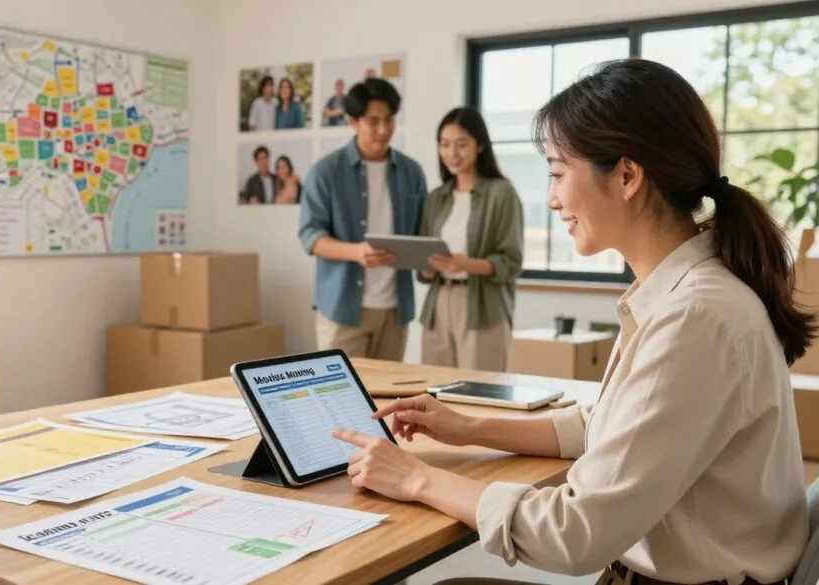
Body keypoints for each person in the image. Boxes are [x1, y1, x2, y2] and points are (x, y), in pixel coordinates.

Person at [331, 58, 815, 585]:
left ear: (628, 175)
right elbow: (606, 425)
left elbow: (574, 531)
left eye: (559, 174)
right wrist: (465, 427)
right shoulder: (682, 293)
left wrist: (418, 479)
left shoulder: (695, 317)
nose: (554, 199)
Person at [298, 77, 427, 360]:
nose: (383, 130)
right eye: (373, 121)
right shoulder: (325, 172)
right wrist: (356, 252)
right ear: (353, 121)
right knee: (342, 399)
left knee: (387, 401)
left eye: (389, 119)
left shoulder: (411, 172)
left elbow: (420, 233)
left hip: (395, 310)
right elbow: (310, 236)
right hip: (342, 308)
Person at [418, 106, 523, 371]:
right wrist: (427, 268)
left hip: (482, 307)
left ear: (479, 145)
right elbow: (423, 260)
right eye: (445, 144)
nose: (452, 153)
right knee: (434, 388)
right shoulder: (436, 198)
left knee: (478, 391)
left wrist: (464, 264)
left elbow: (510, 262)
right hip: (439, 303)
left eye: (461, 144)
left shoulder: (502, 193)